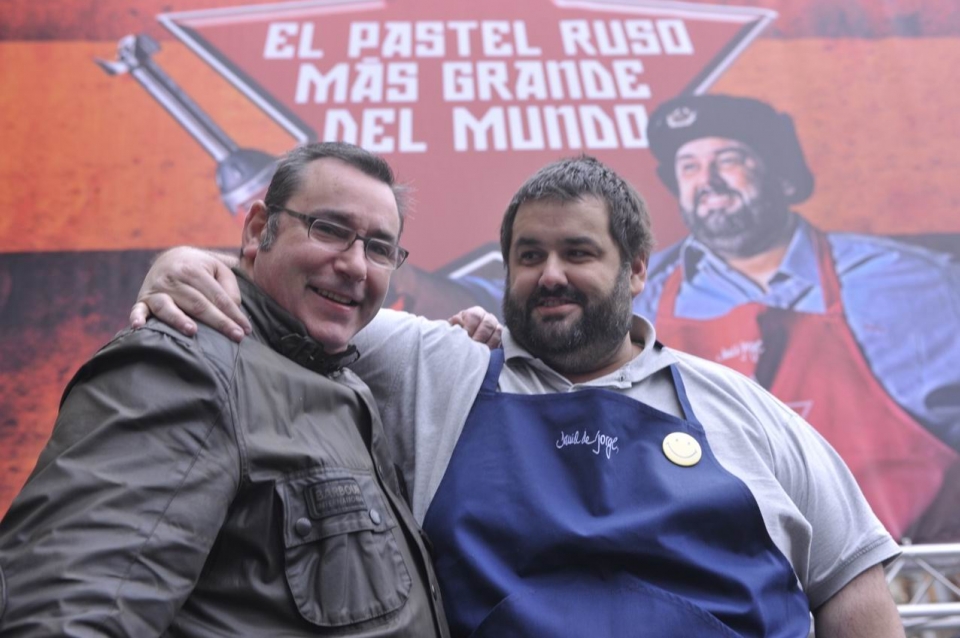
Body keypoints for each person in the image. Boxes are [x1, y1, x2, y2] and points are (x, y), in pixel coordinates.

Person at [130, 155, 905, 637]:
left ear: (637, 270)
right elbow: (294, 302)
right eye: (528, 255)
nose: (550, 274)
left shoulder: (743, 409)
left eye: (578, 252)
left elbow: (850, 587)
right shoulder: (434, 362)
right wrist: (189, 264)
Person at [0, 142, 458, 636]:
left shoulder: (343, 377)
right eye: (329, 229)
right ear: (260, 229)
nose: (356, 265)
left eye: (379, 248)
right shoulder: (185, 363)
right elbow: (68, 610)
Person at [638, 93, 960, 542]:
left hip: (913, 580)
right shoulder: (633, 301)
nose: (707, 180)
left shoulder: (915, 282)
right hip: (713, 581)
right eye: (688, 166)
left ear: (781, 176)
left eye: (729, 160)